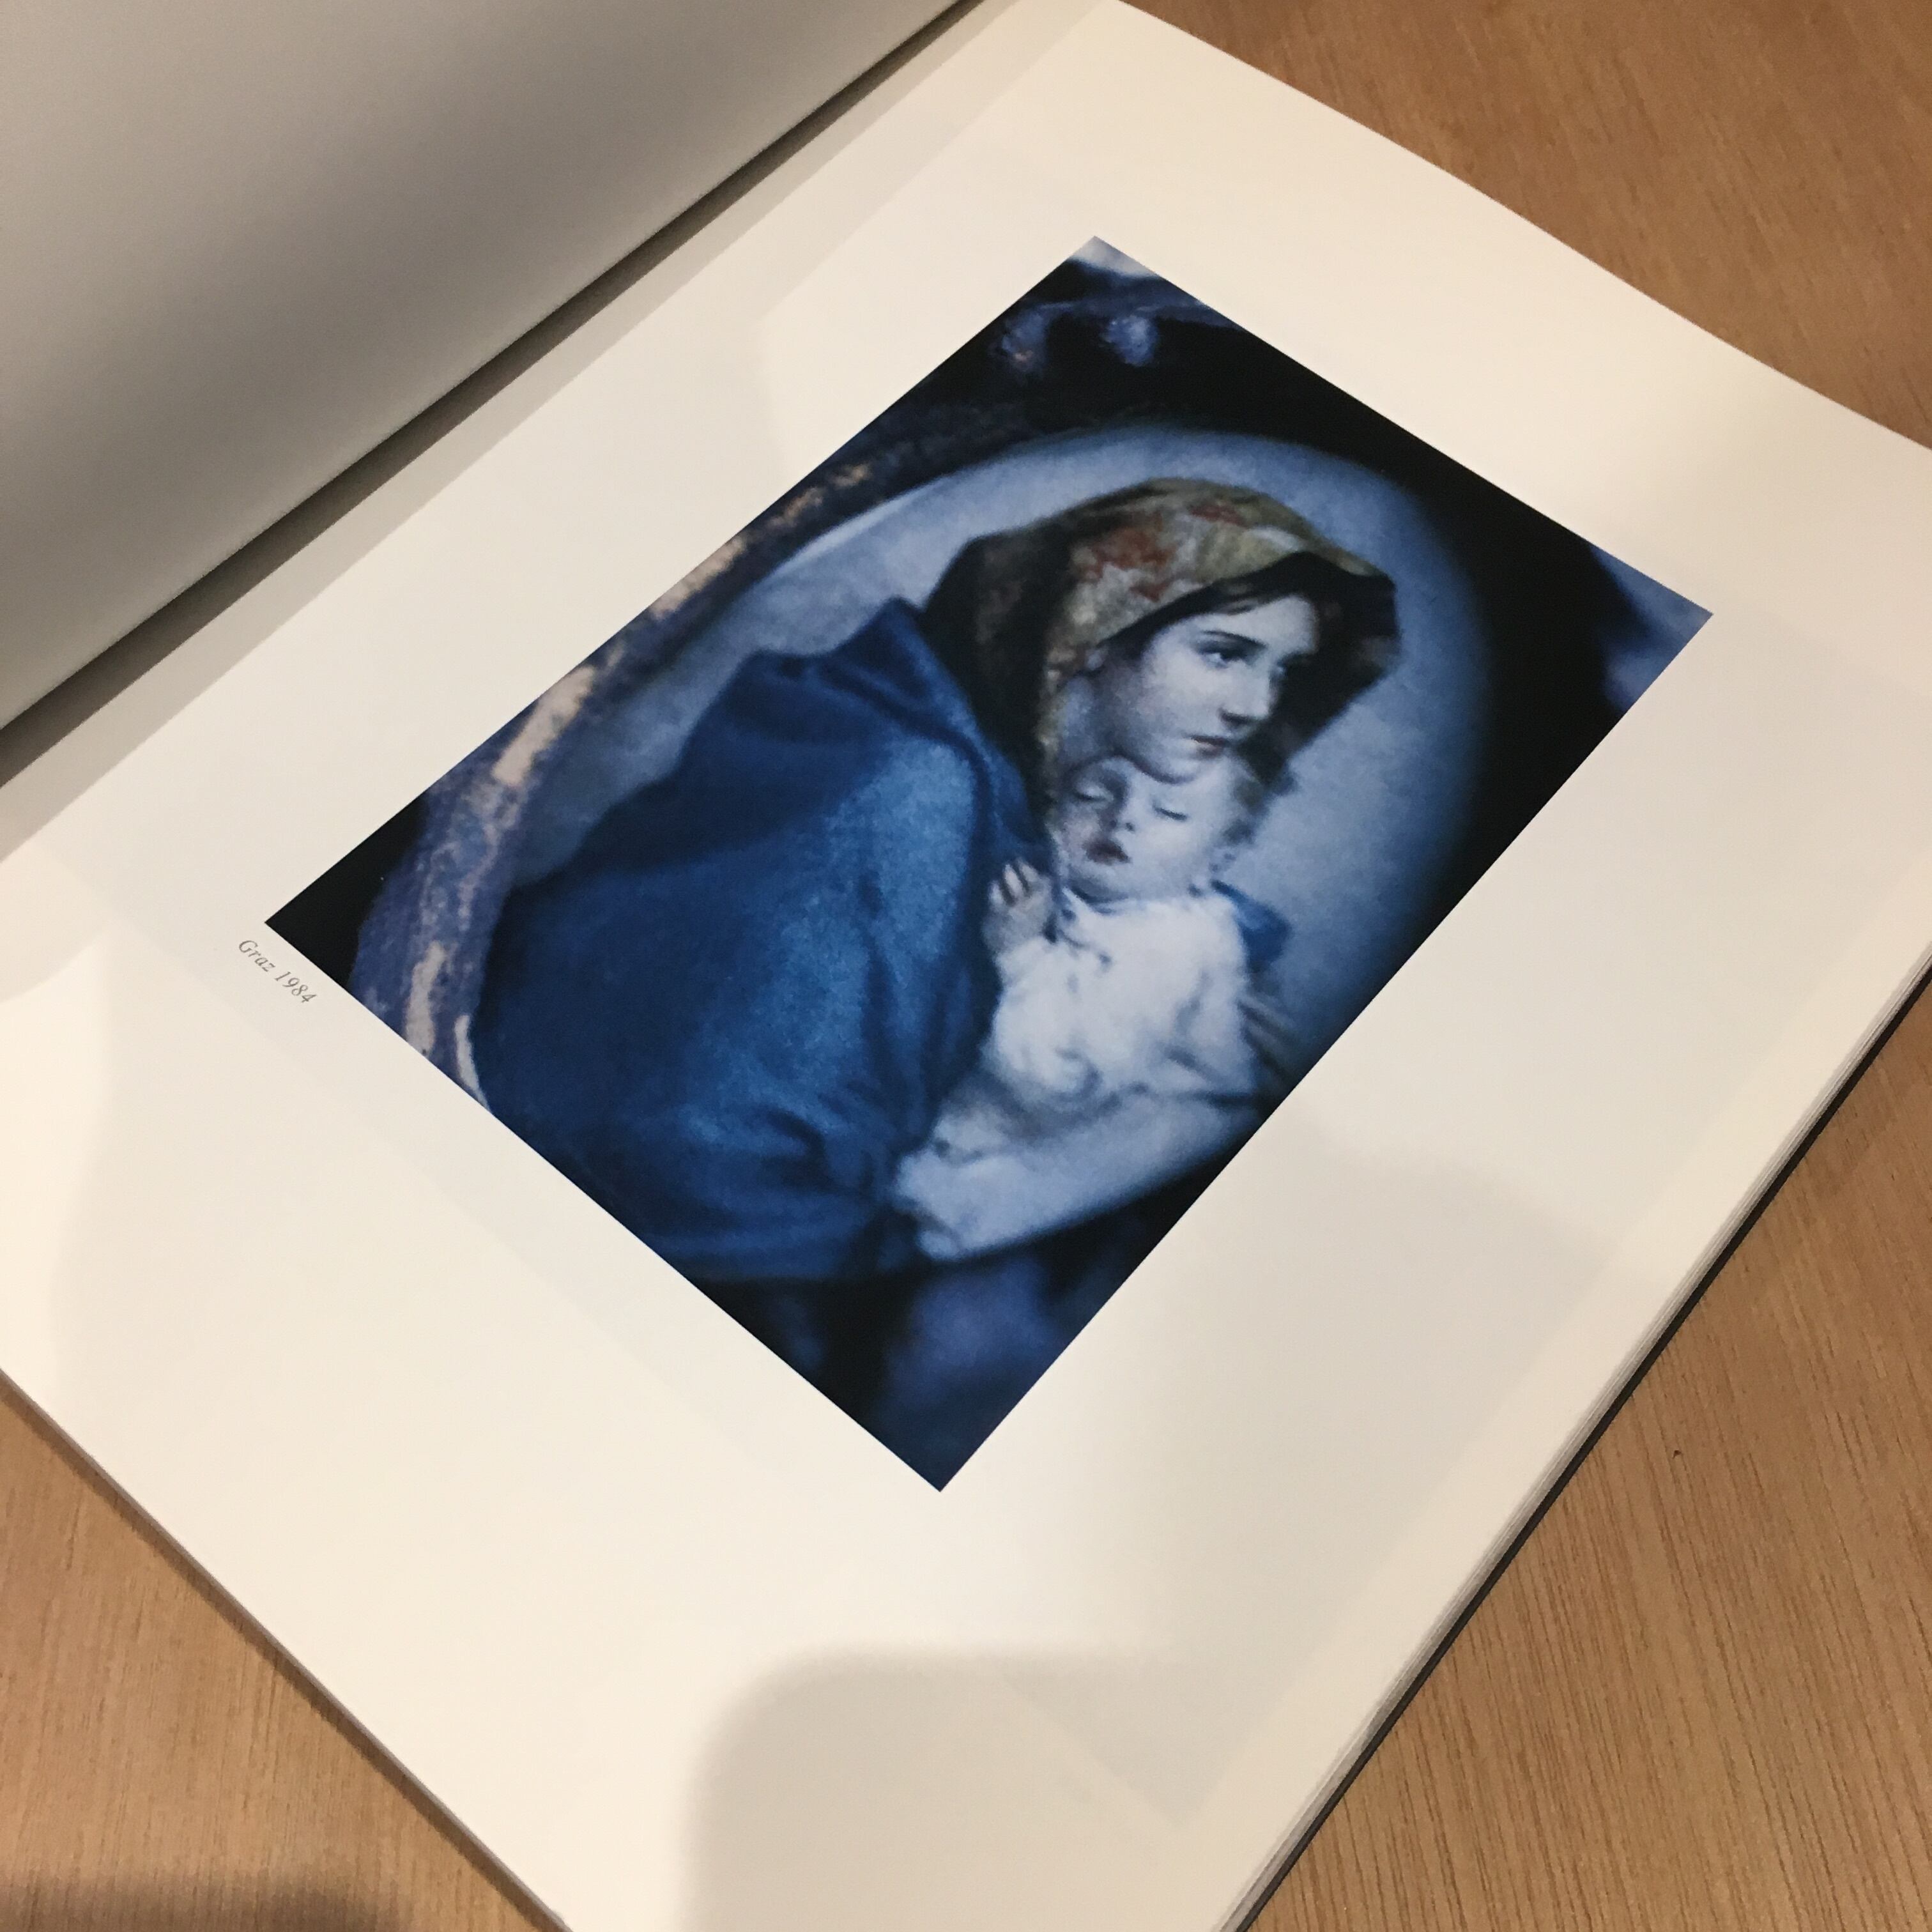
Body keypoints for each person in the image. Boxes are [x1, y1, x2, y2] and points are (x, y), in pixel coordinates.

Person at [470, 479, 1397, 1291]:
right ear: (1096, 633)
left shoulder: (1019, 784)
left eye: (1284, 672)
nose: (1256, 707)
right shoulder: (907, 792)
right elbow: (713, 1146)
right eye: (1224, 654)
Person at [894, 750, 1282, 1257]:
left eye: (1169, 812)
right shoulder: (1084, 894)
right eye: (1093, 795)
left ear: (1215, 862)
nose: (1123, 817)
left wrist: (1022, 955)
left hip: (1123, 1129)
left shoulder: (1174, 946)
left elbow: (1060, 1077)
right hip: (1044, 1118)